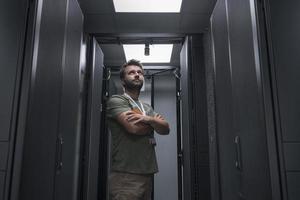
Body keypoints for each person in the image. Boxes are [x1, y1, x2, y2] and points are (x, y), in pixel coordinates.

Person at [106, 59, 170, 200]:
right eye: (131, 72)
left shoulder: (146, 107)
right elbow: (133, 128)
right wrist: (154, 123)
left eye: (139, 72)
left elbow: (165, 129)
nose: (137, 75)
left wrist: (148, 120)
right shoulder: (117, 101)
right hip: (126, 175)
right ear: (123, 80)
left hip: (147, 172)